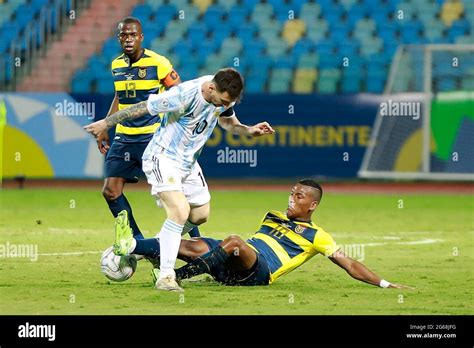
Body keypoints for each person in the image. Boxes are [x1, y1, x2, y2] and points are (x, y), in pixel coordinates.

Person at [85, 68, 275, 292]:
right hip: (163, 157)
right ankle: (165, 277)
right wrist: (106, 123)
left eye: (228, 103)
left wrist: (249, 130)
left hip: (188, 164)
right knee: (180, 211)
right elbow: (142, 107)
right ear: (211, 88)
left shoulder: (223, 98)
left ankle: (144, 246)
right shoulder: (184, 94)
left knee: (200, 214)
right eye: (221, 101)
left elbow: (228, 123)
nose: (223, 106)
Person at [115, 179, 412, 289]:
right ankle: (133, 247)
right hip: (233, 261)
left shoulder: (318, 236)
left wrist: (385, 284)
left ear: (313, 204)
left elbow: (350, 264)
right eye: (291, 193)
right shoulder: (272, 216)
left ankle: (175, 278)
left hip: (258, 271)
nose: (291, 199)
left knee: (232, 241)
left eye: (298, 197)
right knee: (191, 243)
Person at [98, 17, 200, 243]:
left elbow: (180, 94)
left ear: (141, 37)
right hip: (124, 137)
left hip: (153, 138)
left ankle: (194, 243)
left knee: (173, 196)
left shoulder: (159, 63)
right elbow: (120, 97)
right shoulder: (116, 65)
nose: (128, 39)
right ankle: (136, 241)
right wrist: (107, 125)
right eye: (124, 35)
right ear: (119, 38)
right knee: (111, 191)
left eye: (133, 35)